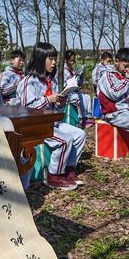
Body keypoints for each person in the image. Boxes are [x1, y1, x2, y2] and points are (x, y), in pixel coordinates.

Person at [19, 42, 86, 190]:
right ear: (40, 59)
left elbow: (55, 106)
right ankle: (54, 176)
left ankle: (68, 170)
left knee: (80, 134)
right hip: (34, 125)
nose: (54, 62)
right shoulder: (29, 81)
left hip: (51, 122)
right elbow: (25, 108)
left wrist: (61, 101)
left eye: (55, 59)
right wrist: (47, 100)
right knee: (64, 140)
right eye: (51, 59)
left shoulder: (51, 80)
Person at [62, 50, 92, 122]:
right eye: (70, 61)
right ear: (66, 60)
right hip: (67, 93)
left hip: (74, 91)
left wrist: (80, 76)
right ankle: (81, 118)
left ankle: (87, 116)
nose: (72, 63)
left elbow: (79, 84)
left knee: (87, 97)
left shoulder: (72, 70)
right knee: (79, 98)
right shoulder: (63, 70)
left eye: (73, 61)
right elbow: (65, 84)